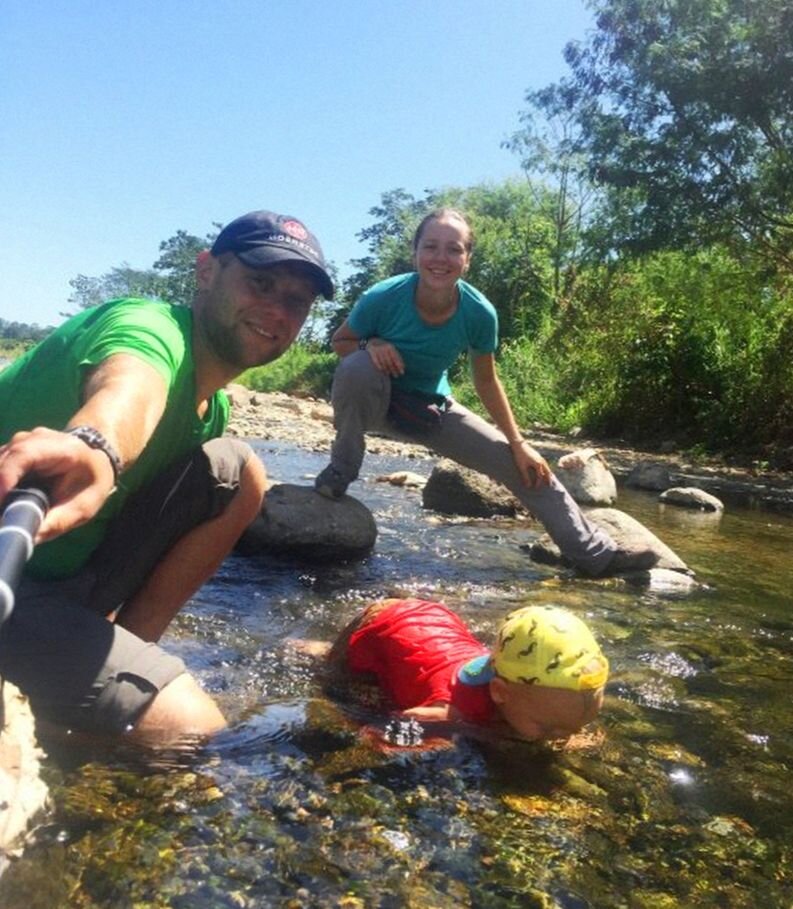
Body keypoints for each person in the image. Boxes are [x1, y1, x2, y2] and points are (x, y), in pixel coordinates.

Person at [0, 209, 334, 743]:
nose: (275, 308)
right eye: (260, 282)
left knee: (241, 472)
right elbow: (131, 383)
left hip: (62, 582)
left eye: (295, 301)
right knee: (192, 732)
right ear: (205, 272)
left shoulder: (214, 409)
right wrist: (97, 446)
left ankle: (118, 660)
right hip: (7, 579)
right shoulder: (149, 328)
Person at [314, 208, 656, 578]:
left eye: (453, 249)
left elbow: (487, 381)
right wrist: (371, 343)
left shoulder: (479, 313)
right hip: (374, 400)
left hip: (430, 410)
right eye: (431, 247)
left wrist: (518, 443)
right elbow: (341, 341)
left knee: (527, 469)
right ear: (415, 253)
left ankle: (596, 556)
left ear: (467, 260)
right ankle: (340, 473)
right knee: (357, 365)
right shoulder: (383, 296)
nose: (440, 259)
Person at [302, 599, 608, 743]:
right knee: (329, 670)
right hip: (384, 627)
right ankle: (296, 647)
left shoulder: (514, 677)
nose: (562, 738)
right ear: (499, 691)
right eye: (548, 729)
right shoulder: (452, 712)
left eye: (574, 727)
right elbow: (399, 724)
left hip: (433, 621)